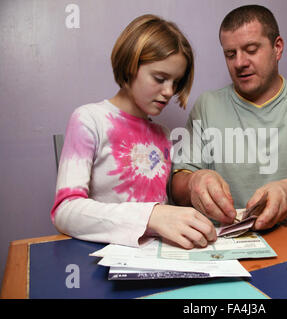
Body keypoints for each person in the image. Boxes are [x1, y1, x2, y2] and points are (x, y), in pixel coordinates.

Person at [170, 5, 287, 230]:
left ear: (277, 48)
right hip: (227, 240)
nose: (239, 62)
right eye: (230, 54)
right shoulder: (207, 106)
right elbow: (177, 187)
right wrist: (194, 182)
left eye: (251, 50)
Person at [51, 14, 216, 249]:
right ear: (130, 66)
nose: (169, 92)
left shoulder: (164, 134)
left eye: (176, 83)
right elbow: (65, 212)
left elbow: (165, 210)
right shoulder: (89, 120)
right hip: (105, 259)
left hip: (157, 257)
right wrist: (151, 217)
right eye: (160, 78)